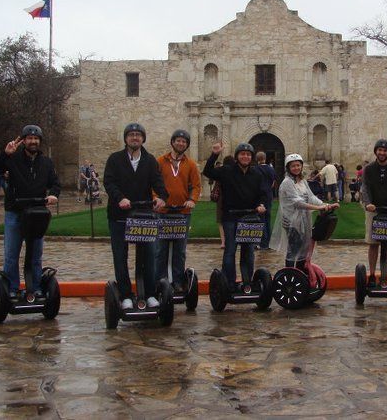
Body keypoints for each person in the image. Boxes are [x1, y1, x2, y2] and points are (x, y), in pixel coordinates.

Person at [0, 125, 60, 299]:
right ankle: (12, 288)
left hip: (37, 212)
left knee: (36, 254)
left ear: (40, 142)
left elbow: (55, 183)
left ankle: (35, 287)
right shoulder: (13, 159)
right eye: (29, 138)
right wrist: (6, 154)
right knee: (12, 254)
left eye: (36, 139)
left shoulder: (46, 162)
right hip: (16, 211)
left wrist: (53, 195)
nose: (33, 141)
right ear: (24, 141)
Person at [104, 123, 168, 310]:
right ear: (126, 138)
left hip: (143, 215)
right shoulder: (114, 159)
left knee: (147, 255)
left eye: (138, 135)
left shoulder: (149, 161)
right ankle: (125, 294)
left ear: (143, 139)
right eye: (131, 135)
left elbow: (158, 182)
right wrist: (120, 198)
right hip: (119, 215)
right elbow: (109, 182)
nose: (134, 138)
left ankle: (148, 293)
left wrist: (162, 197)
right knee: (120, 255)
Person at [202, 141, 267, 289]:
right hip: (231, 216)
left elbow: (262, 193)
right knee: (230, 249)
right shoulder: (227, 170)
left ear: (252, 157)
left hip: (249, 218)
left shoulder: (256, 173)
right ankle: (229, 282)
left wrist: (261, 204)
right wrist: (215, 154)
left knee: (248, 251)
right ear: (237, 156)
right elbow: (208, 172)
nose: (245, 157)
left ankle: (247, 281)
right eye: (242, 154)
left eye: (248, 154)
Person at [271, 154, 339, 285]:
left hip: (303, 220)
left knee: (304, 249)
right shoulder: (286, 183)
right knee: (294, 250)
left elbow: (311, 197)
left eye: (298, 165)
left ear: (301, 166)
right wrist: (318, 208)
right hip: (291, 222)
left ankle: (300, 277)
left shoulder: (302, 181)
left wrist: (326, 205)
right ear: (288, 167)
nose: (296, 168)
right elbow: (298, 203)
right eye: (293, 166)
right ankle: (290, 278)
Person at [155, 129, 201, 292]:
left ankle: (178, 282)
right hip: (163, 212)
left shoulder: (191, 165)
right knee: (161, 249)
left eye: (184, 141)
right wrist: (156, 198)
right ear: (172, 142)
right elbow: (153, 182)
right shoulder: (160, 161)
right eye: (178, 140)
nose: (181, 143)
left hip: (182, 213)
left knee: (180, 250)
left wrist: (192, 200)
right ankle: (160, 281)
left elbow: (196, 186)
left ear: (187, 145)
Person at [360, 139, 387, 287]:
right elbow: (365, 188)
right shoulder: (369, 169)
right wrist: (368, 204)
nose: (382, 153)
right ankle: (372, 275)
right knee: (373, 244)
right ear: (376, 151)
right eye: (379, 150)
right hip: (374, 210)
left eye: (385, 150)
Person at [255, 151, 276, 250]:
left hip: (259, 196)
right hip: (269, 195)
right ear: (265, 158)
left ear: (256, 159)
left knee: (261, 220)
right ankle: (269, 242)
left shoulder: (255, 169)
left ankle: (263, 243)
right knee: (268, 219)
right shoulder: (271, 169)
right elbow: (273, 183)